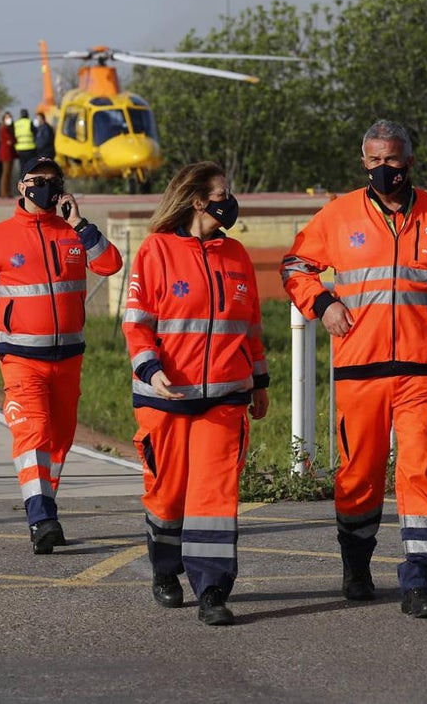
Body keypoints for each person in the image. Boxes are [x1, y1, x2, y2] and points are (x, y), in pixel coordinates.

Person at [280, 119, 427, 619]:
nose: (382, 169)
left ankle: (418, 581)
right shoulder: (338, 213)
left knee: (419, 473)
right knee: (359, 476)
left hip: (420, 370)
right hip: (359, 370)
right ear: (363, 161)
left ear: (409, 161)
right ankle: (356, 569)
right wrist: (323, 304)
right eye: (373, 160)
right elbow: (294, 267)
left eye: (391, 160)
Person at [0, 157, 123, 554]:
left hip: (69, 359)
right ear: (21, 186)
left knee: (59, 441)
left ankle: (44, 506)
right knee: (34, 432)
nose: (44, 186)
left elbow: (111, 264)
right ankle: (41, 519)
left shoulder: (74, 233)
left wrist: (79, 223)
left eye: (52, 180)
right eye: (36, 180)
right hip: (21, 359)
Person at [122, 161, 270, 626]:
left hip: (225, 399)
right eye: (222, 192)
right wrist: (150, 369)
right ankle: (165, 571)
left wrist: (260, 381)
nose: (230, 199)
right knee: (167, 497)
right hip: (165, 397)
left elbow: (250, 326)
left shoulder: (237, 254)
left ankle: (212, 590)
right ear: (198, 200)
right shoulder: (155, 251)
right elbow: (137, 324)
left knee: (214, 498)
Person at [0, 111, 16, 198]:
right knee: (5, 173)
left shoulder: (10, 128)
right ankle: (4, 192)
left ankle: (8, 191)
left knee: (9, 173)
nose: (9, 119)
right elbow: (10, 140)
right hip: (6, 153)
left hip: (10, 153)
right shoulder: (3, 129)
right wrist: (11, 140)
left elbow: (12, 141)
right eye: (7, 118)